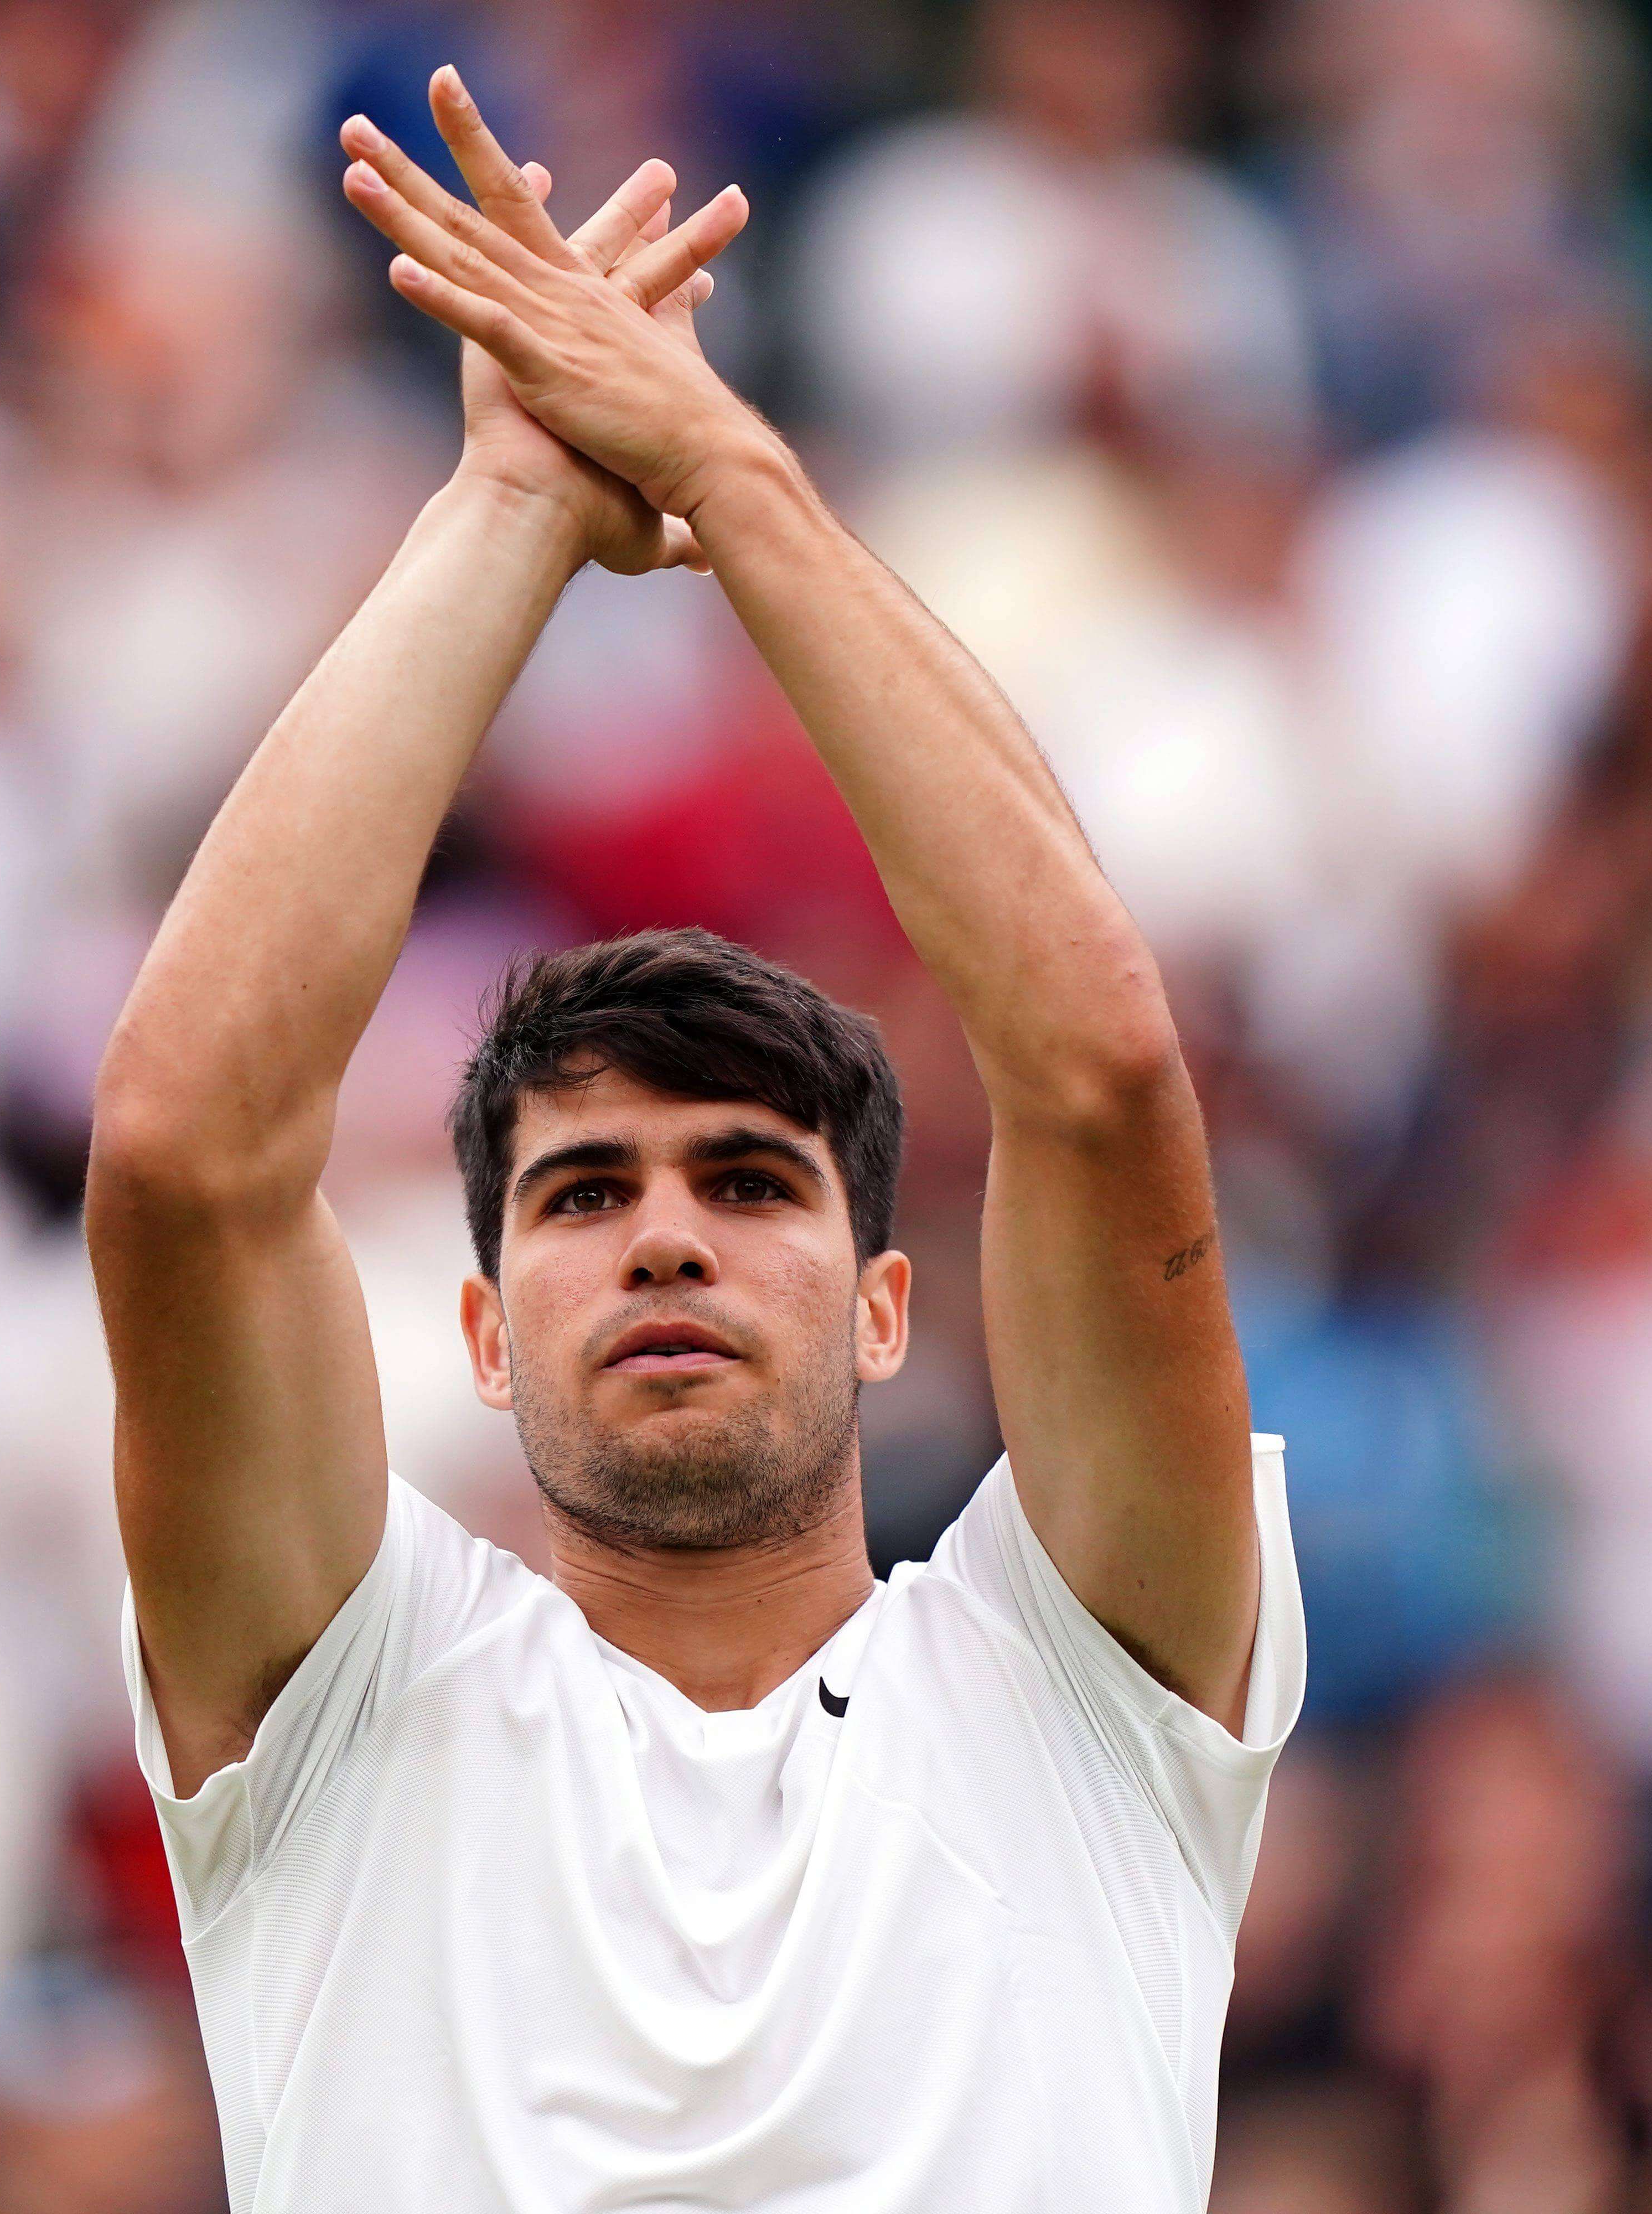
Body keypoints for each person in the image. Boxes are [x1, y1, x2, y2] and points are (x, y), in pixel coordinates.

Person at [84, 68, 1303, 2212]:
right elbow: (186, 1154)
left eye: (750, 1182)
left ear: (891, 1303)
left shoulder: (1083, 1680)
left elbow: (1102, 1078)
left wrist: (730, 469)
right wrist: (509, 506)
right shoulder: (348, 1703)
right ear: (472, 1329)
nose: (665, 1238)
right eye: (582, 1195)